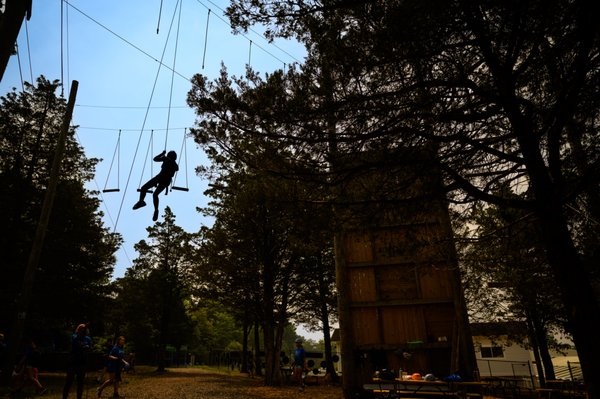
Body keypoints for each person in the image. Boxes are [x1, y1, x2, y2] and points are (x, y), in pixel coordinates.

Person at [132, 150, 178, 221]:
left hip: (160, 177)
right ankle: (156, 210)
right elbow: (174, 170)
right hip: (166, 182)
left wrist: (162, 154)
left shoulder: (166, 159)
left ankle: (141, 201)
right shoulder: (175, 165)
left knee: (144, 188)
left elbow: (155, 159)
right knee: (155, 195)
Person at [62, 324, 92, 399]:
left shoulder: (88, 338)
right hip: (73, 363)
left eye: (85, 329)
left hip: (82, 363)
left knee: (80, 383)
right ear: (79, 329)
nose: (84, 330)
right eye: (82, 329)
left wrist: (87, 348)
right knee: (69, 382)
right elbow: (76, 342)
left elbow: (89, 348)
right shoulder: (74, 336)